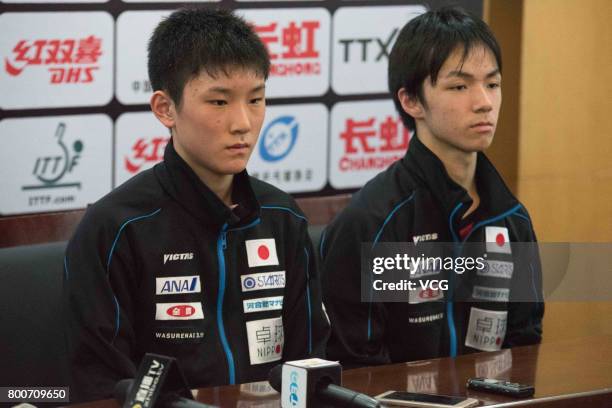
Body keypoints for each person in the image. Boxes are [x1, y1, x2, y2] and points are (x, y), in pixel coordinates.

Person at [63, 8, 329, 402]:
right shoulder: (115, 229)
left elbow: (311, 366)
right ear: (165, 109)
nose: (243, 122)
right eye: (219, 102)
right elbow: (103, 386)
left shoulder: (283, 217)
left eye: (256, 99)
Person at [321, 6, 544, 367]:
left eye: (492, 83)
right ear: (410, 100)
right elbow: (355, 369)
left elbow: (524, 346)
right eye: (459, 86)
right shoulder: (374, 223)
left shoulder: (511, 218)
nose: (484, 102)